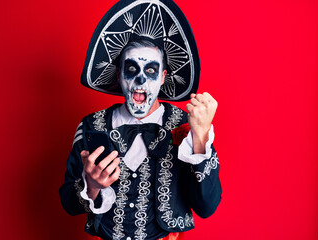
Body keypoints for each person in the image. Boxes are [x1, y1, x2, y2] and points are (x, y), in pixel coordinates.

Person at [59, 1, 221, 239]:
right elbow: (68, 203)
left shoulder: (187, 126)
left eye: (152, 71)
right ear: (119, 75)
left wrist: (202, 135)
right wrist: (92, 186)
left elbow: (207, 207)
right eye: (131, 69)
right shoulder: (92, 126)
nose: (141, 81)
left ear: (164, 77)